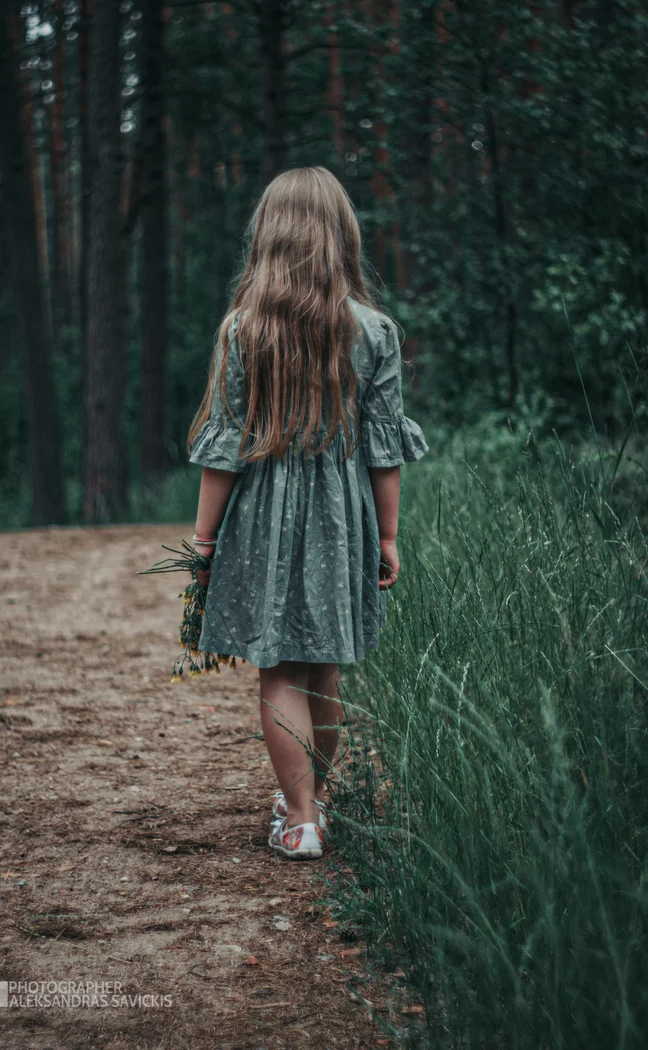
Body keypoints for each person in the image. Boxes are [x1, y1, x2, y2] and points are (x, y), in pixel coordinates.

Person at [186, 166, 428, 861]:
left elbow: (225, 450)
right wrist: (387, 535)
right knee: (323, 669)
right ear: (340, 238)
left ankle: (299, 818)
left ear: (269, 238)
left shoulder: (244, 329)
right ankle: (312, 802)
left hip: (263, 517)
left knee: (280, 671)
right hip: (341, 520)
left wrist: (203, 542)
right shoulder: (375, 331)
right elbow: (384, 452)